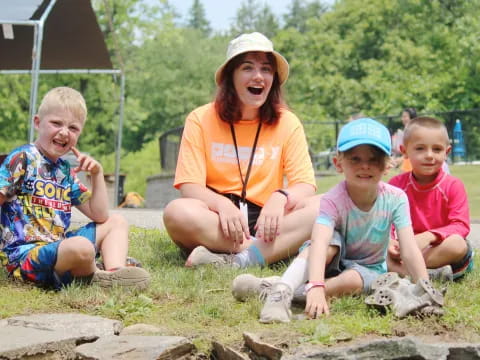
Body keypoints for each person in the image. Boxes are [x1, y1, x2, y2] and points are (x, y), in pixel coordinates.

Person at [232, 118, 430, 323]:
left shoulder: (396, 198)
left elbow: (409, 248)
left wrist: (424, 286)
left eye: (374, 159)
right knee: (330, 242)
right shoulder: (332, 200)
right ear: (338, 163)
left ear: (388, 164)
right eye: (355, 159)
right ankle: (281, 292)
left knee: (353, 279)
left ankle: (284, 288)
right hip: (331, 260)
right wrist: (316, 284)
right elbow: (319, 242)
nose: (365, 166)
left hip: (370, 269)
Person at [163, 32, 319, 268]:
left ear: (273, 79)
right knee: (177, 212)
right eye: (247, 68)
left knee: (326, 204)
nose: (258, 76)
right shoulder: (200, 118)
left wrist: (280, 198)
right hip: (218, 219)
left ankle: (236, 260)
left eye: (266, 69)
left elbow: (305, 185)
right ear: (230, 77)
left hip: (270, 220)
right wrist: (222, 205)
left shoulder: (288, 122)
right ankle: (268, 252)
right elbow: (189, 186)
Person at [0, 87, 150, 290]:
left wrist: (97, 175)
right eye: (56, 123)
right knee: (81, 247)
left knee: (117, 221)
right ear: (37, 122)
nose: (64, 132)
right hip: (25, 255)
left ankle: (115, 272)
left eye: (73, 128)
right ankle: (96, 274)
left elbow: (99, 215)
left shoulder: (64, 171)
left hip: (60, 248)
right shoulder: (23, 158)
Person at [387, 116, 473, 281]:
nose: (429, 155)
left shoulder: (453, 185)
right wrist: (391, 242)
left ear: (446, 152)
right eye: (420, 149)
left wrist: (428, 236)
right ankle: (427, 275)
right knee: (378, 247)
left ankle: (407, 271)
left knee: (458, 244)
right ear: (404, 151)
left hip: (438, 249)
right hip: (404, 249)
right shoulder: (395, 185)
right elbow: (386, 221)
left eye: (437, 149)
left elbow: (460, 225)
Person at [391, 107, 417, 171]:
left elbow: (413, 149)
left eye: (405, 117)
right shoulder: (407, 129)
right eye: (402, 117)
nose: (402, 119)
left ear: (412, 117)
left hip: (411, 160)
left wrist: (401, 159)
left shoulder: (413, 130)